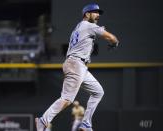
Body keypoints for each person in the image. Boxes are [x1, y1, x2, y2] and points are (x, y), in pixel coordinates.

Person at [35, 3, 119, 131]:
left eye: (98, 13)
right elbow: (111, 37)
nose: (97, 15)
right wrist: (114, 43)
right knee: (67, 99)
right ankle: (43, 120)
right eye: (95, 12)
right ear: (87, 14)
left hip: (79, 66)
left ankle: (86, 123)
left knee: (98, 92)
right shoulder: (89, 26)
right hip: (76, 64)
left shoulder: (79, 26)